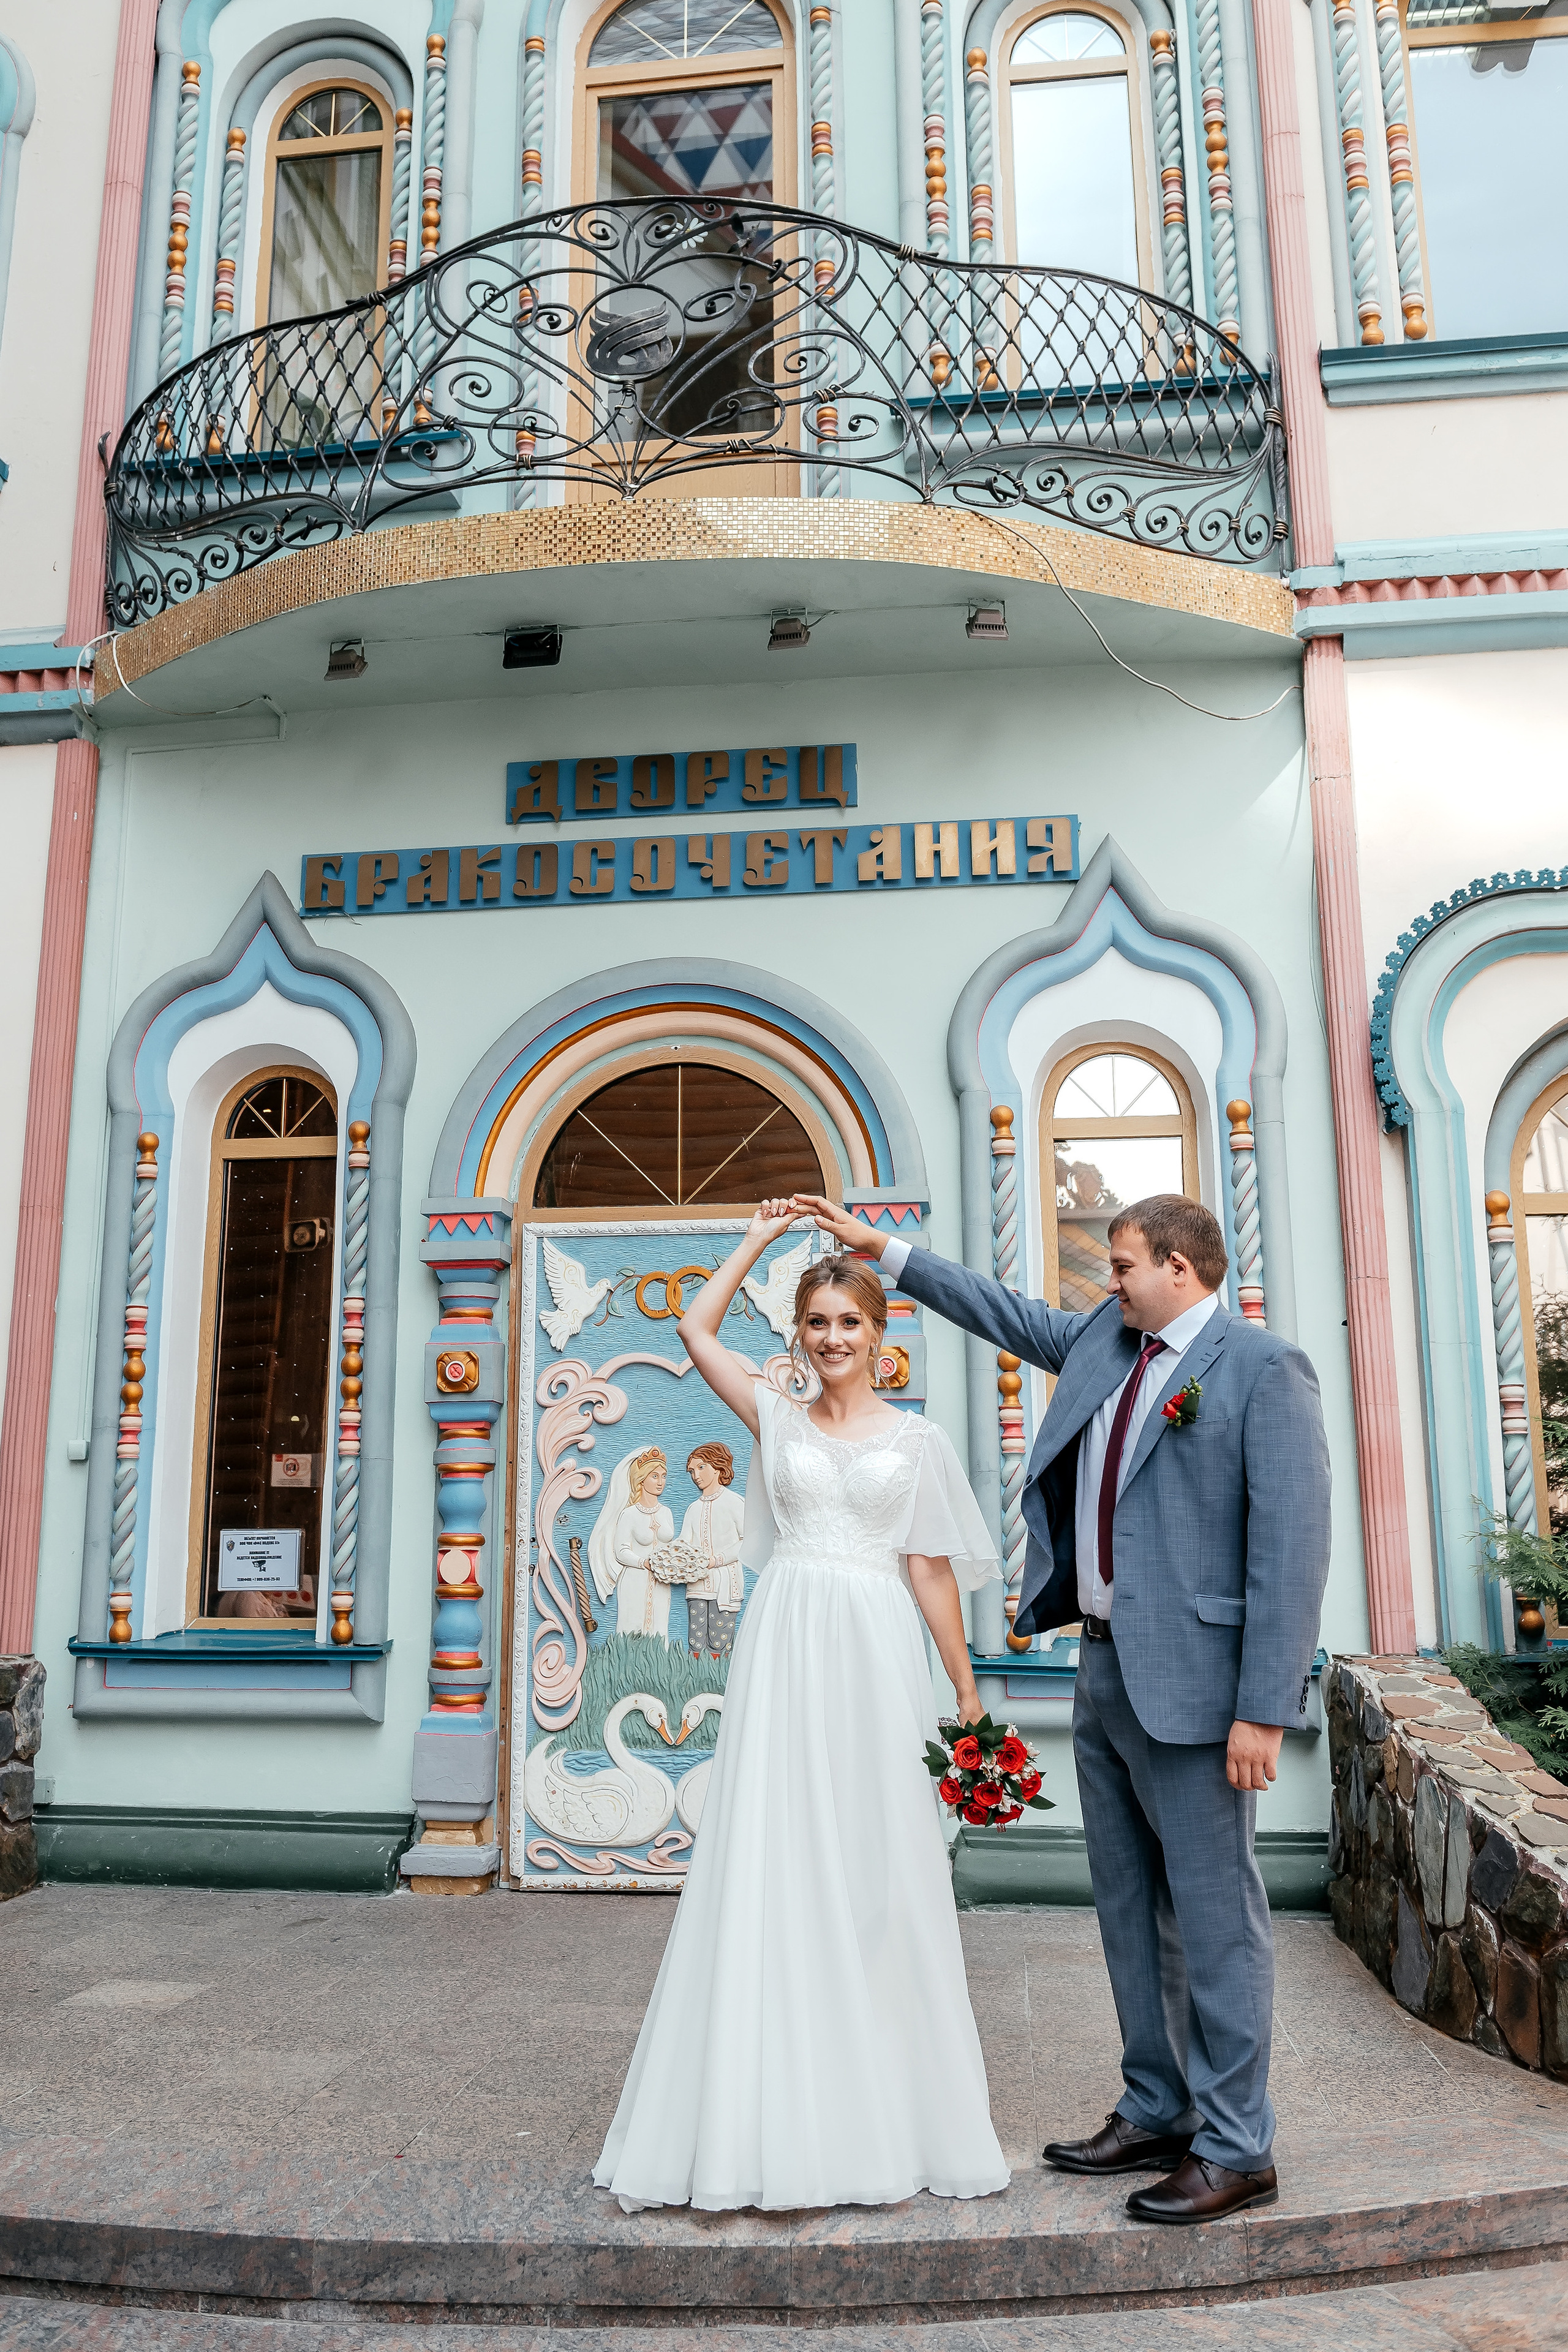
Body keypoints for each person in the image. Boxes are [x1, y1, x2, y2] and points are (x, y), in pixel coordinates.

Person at [797, 1189, 1330, 2227]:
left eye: (1124, 1264)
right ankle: (1157, 2105)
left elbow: (1293, 1551)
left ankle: (1237, 2144)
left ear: (1180, 1269)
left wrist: (1265, 1709)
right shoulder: (1104, 1341)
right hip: (1102, 1670)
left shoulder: (1264, 1372)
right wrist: (890, 1255)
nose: (1109, 1280)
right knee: (1130, 1907)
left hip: (1203, 1690)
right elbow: (1006, 1313)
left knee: (1216, 1921)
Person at [593, 1204, 1011, 2214]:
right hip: (784, 1643)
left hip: (873, 1648)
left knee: (876, 1863)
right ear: (800, 1331)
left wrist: (962, 1690)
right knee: (774, 1857)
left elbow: (929, 1571)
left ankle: (879, 2105)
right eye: (817, 1322)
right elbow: (694, 1331)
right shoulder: (772, 1415)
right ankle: (761, 2108)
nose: (831, 1340)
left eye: (849, 1323)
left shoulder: (915, 1443)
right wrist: (758, 1238)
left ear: (879, 1336)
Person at [588, 1446, 677, 1640]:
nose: (661, 1482)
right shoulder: (630, 1514)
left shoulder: (666, 1513)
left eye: (663, 1476)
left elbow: (670, 1546)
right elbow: (621, 1551)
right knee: (632, 1629)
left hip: (662, 1582)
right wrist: (644, 1562)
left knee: (659, 1628)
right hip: (635, 1579)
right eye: (655, 1476)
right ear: (642, 1479)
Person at [679, 1442, 747, 1661]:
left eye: (701, 1468)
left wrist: (717, 1560)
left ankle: (718, 1682)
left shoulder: (735, 1503)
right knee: (696, 1638)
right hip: (697, 1585)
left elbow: (747, 1541)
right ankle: (695, 1679)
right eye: (691, 1471)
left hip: (726, 1584)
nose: (695, 1476)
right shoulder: (693, 1508)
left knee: (720, 1638)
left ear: (718, 1467)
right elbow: (684, 1543)